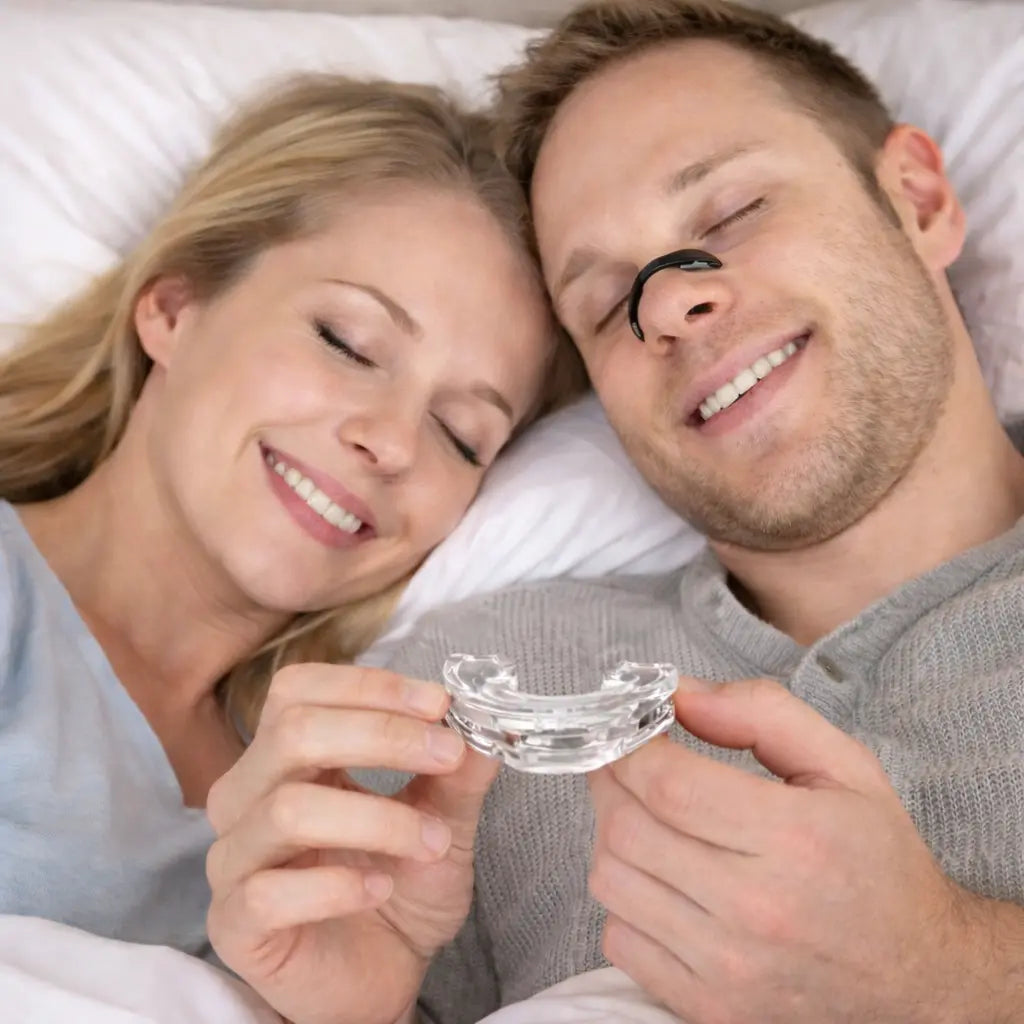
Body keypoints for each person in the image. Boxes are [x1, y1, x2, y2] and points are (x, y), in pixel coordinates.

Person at [202, 2, 1024, 1023]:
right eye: (605, 304)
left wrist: (951, 970)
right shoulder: (469, 702)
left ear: (917, 199)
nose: (668, 304)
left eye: (730, 213)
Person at [0, 69, 585, 989]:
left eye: (460, 433)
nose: (393, 441)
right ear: (174, 308)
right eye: (347, 342)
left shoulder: (345, 802)